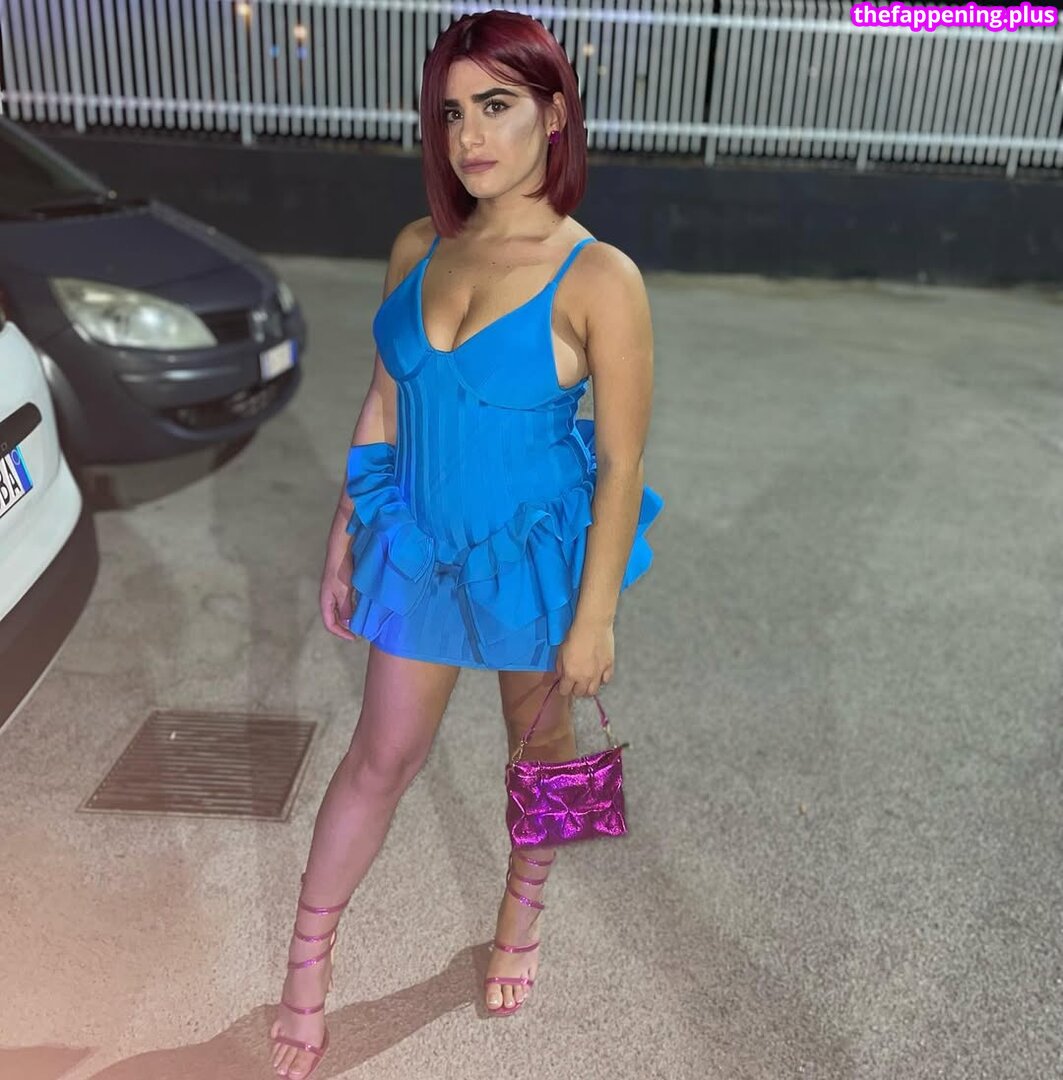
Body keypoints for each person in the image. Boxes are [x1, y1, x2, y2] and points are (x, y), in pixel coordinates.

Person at [269, 9, 663, 1077]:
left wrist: (596, 617)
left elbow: (621, 462)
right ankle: (305, 968)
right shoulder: (418, 245)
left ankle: (521, 919)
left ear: (555, 113)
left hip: (533, 556)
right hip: (421, 547)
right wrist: (345, 534)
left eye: (496, 105)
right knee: (379, 758)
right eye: (450, 113)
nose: (469, 136)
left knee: (542, 753)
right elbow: (385, 402)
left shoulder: (600, 277)